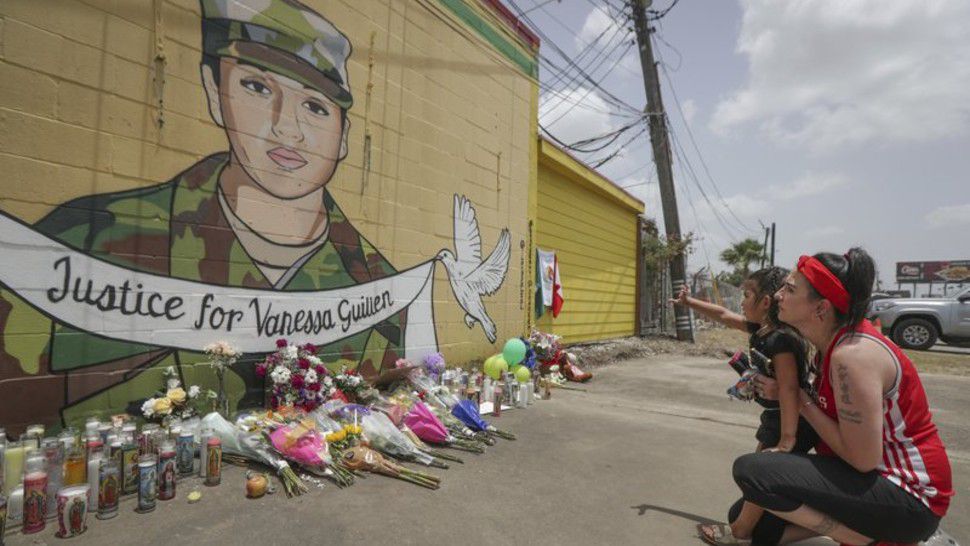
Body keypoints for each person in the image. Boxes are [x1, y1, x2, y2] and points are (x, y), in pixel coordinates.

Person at [0, 0, 405, 430]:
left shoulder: (380, 287)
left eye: (316, 107)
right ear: (215, 92)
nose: (288, 127)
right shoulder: (84, 243)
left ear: (344, 136)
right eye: (257, 87)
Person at [734, 249, 953, 545]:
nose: (777, 296)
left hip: (909, 496)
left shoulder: (852, 357)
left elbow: (863, 459)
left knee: (755, 472)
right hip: (873, 482)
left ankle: (868, 540)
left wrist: (800, 400)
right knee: (751, 513)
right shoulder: (829, 346)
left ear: (821, 308)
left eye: (790, 289)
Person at [671, 268, 817, 545]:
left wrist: (787, 439)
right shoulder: (762, 330)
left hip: (791, 421)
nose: (741, 301)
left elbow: (788, 389)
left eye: (746, 294)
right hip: (777, 417)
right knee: (760, 479)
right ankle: (752, 527)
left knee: (760, 478)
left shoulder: (782, 339)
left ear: (765, 302)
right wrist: (689, 303)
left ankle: (739, 533)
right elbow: (724, 315)